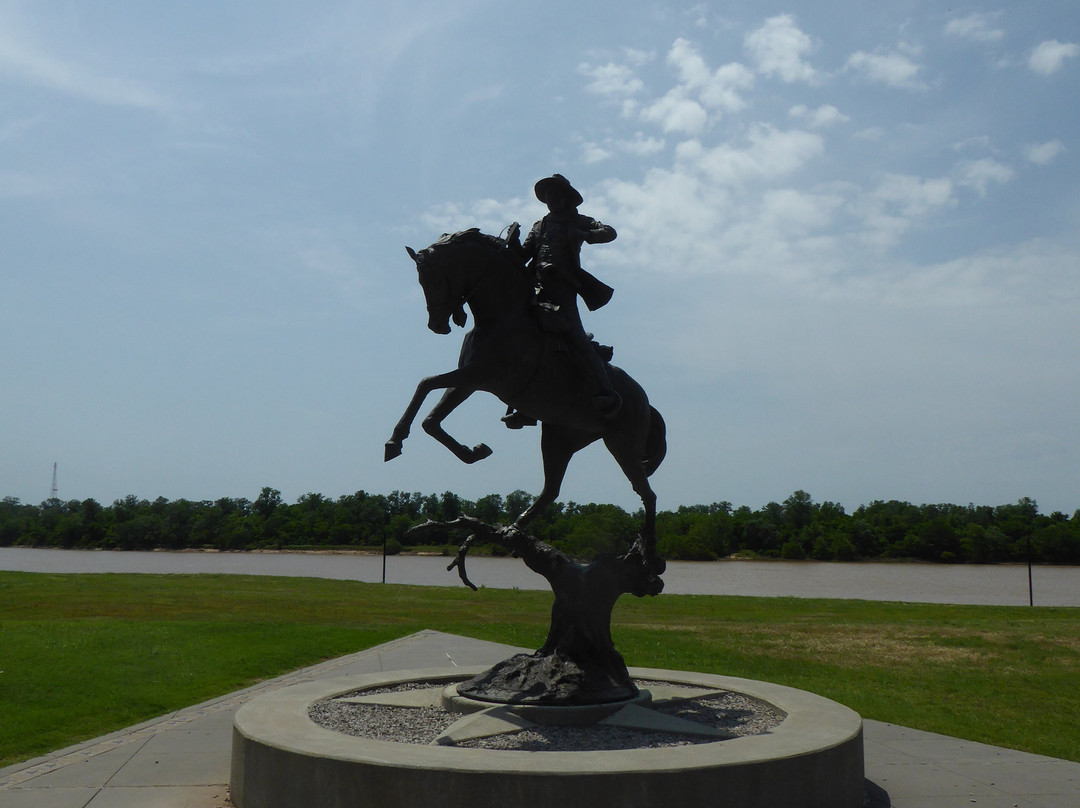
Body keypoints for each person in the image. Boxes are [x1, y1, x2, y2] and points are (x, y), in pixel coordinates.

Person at [502, 174, 620, 428]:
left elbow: (609, 232)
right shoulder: (539, 225)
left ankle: (606, 391)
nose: (550, 201)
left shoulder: (579, 219)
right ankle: (523, 404)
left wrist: (583, 234)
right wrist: (511, 244)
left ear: (566, 199)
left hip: (563, 286)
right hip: (537, 285)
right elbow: (524, 254)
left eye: (555, 195)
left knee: (575, 336)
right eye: (547, 197)